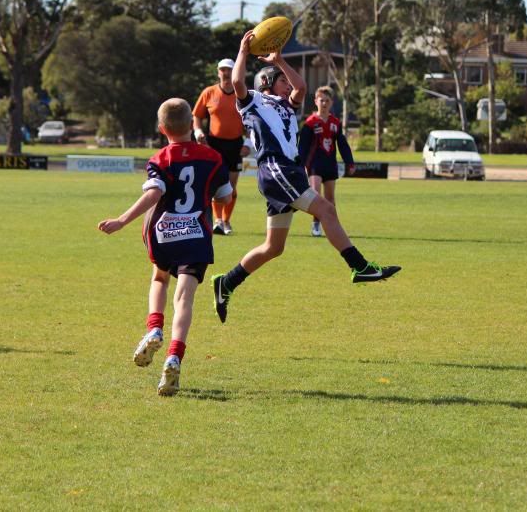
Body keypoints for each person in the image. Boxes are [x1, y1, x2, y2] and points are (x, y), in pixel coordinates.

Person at [211, 31, 400, 323]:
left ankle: (227, 282)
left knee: (274, 247)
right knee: (326, 208)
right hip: (276, 168)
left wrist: (281, 60)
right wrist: (243, 51)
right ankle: (360, 266)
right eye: (282, 80)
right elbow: (237, 82)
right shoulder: (254, 101)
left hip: (288, 170)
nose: (289, 84)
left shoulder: (288, 105)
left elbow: (301, 86)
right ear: (268, 82)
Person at [98, 98, 232, 396]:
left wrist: (122, 220)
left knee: (160, 278)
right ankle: (174, 355)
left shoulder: (161, 158)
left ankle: (155, 327)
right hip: (196, 233)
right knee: (185, 298)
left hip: (165, 231)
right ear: (192, 125)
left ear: (162, 129)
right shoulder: (212, 157)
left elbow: (154, 193)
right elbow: (224, 196)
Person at [193, 58, 247, 236]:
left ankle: (226, 221)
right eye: (223, 70)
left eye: (229, 70)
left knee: (231, 186)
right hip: (213, 144)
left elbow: (252, 120)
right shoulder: (209, 93)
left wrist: (248, 143)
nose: (226, 73)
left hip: (235, 145)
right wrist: (198, 132)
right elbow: (197, 116)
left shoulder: (243, 94)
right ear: (218, 72)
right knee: (215, 184)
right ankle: (217, 221)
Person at [298, 86, 355, 238]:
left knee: (330, 198)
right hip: (314, 165)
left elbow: (342, 144)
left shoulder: (335, 123)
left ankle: (333, 226)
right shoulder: (310, 123)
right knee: (316, 194)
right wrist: (300, 164)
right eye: (321, 100)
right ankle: (316, 224)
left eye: (327, 101)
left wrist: (349, 162)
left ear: (331, 103)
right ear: (315, 101)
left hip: (330, 165)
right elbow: (302, 146)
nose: (324, 103)